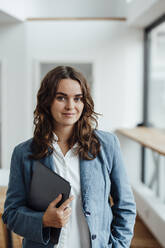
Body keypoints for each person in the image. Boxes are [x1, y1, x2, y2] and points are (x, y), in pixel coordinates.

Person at [2, 66, 136, 248]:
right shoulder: (24, 153)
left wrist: (119, 245)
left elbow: (125, 206)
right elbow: (11, 214)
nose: (70, 106)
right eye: (61, 97)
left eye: (78, 98)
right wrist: (43, 220)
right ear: (47, 101)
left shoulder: (107, 145)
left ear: (84, 102)